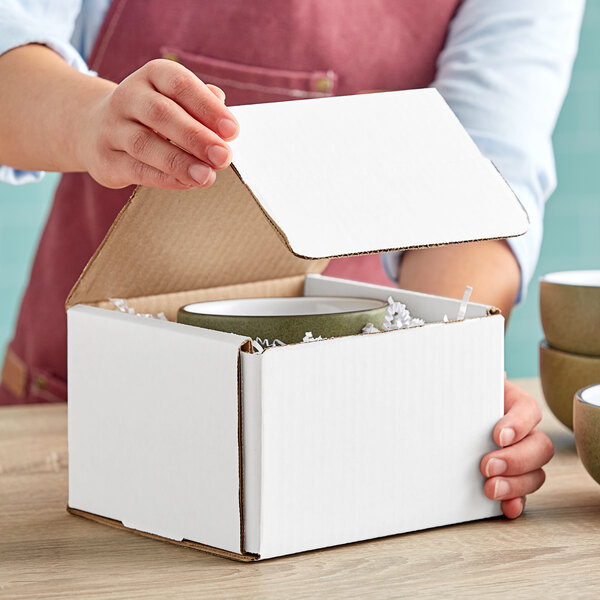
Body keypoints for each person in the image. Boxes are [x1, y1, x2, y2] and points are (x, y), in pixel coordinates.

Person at [0, 0, 584, 519]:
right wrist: (95, 120)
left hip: (347, 425)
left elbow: (473, 185)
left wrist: (440, 369)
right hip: (76, 419)